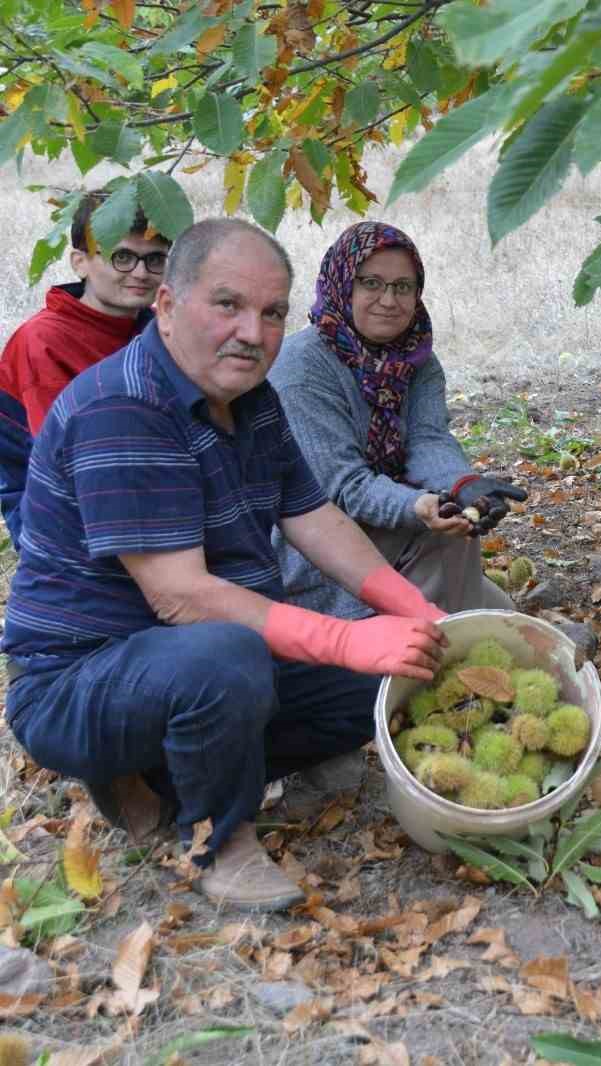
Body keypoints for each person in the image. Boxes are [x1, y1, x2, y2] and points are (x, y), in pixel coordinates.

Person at [2, 219, 450, 911]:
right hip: (80, 680)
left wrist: (413, 611)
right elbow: (181, 597)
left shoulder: (252, 400)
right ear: (169, 306)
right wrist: (343, 637)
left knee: (388, 683)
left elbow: (316, 518)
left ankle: (160, 775)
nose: (253, 331)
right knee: (227, 656)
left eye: (271, 312)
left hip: (198, 657)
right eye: (228, 305)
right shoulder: (125, 404)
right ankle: (217, 833)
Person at [268, 221, 524, 620]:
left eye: (403, 286)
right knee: (448, 547)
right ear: (343, 284)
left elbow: (427, 440)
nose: (389, 300)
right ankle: (411, 656)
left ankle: (443, 634)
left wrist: (462, 485)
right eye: (372, 283)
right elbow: (342, 487)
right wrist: (418, 506)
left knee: (505, 616)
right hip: (316, 554)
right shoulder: (301, 368)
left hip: (389, 527)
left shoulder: (415, 359)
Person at [0, 189, 172, 541]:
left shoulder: (158, 329)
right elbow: (67, 465)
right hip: (58, 517)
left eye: (155, 259)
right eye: (121, 256)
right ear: (79, 261)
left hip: (148, 490)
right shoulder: (43, 340)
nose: (140, 272)